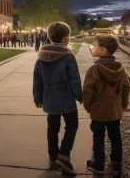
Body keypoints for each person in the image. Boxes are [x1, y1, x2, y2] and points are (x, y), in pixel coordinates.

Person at [33, 22, 82, 176]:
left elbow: (37, 79)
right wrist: (79, 96)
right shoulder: (68, 57)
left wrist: (37, 98)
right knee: (72, 125)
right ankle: (64, 155)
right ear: (66, 38)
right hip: (66, 98)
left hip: (49, 98)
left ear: (49, 36)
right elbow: (74, 79)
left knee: (52, 127)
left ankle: (53, 156)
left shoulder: (40, 57)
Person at [83, 34, 130, 176]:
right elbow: (126, 88)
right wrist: (122, 105)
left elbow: (87, 91)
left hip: (98, 110)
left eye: (95, 45)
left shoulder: (94, 70)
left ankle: (98, 164)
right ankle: (116, 164)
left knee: (98, 136)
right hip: (114, 110)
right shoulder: (120, 70)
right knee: (115, 136)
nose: (93, 47)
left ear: (103, 50)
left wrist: (88, 107)